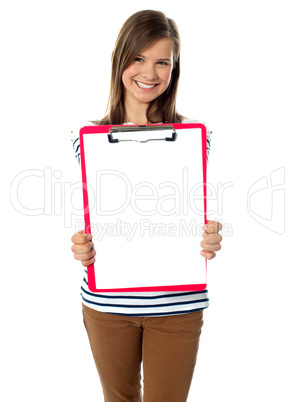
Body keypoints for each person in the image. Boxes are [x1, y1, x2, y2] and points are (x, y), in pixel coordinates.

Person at [71, 10, 222, 402]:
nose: (149, 73)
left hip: (178, 305)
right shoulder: (86, 140)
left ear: (174, 69)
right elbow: (95, 220)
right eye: (138, 58)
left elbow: (189, 211)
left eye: (162, 62)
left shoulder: (195, 137)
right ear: (121, 60)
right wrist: (82, 247)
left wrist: (208, 235)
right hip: (108, 305)